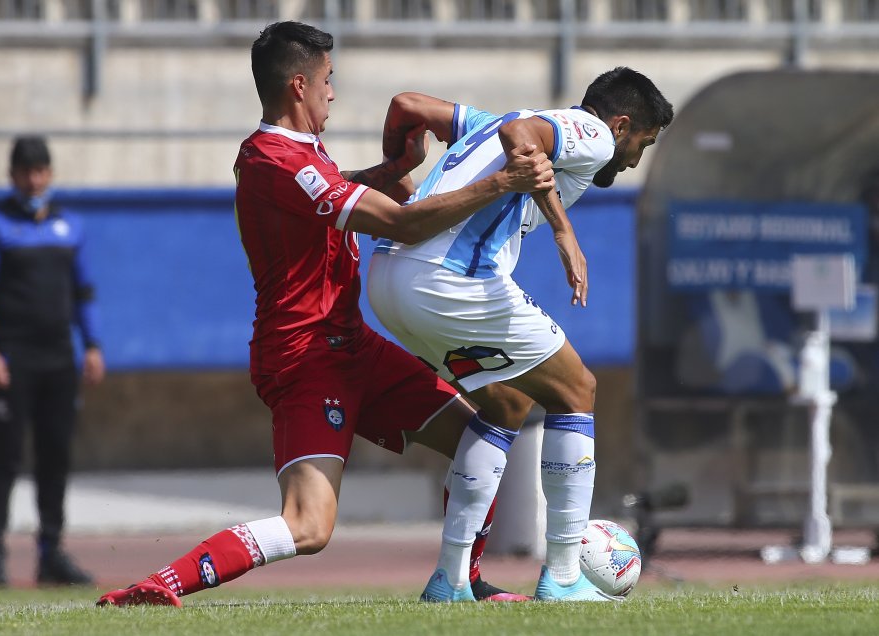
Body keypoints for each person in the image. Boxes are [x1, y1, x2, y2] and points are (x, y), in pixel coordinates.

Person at [96, 21, 555, 607]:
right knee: (309, 527)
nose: (332, 93)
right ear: (298, 85)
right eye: (328, 80)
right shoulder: (274, 160)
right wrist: (503, 182)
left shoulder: (297, 157)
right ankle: (161, 585)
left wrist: (390, 173)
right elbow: (402, 223)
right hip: (304, 356)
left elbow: (333, 194)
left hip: (352, 345)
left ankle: (460, 582)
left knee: (483, 435)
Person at [367, 68, 673, 601]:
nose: (633, 161)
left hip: (390, 280)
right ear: (621, 126)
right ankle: (562, 575)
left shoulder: (486, 122)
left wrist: (400, 166)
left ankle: (452, 580)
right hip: (447, 279)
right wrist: (563, 230)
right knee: (577, 390)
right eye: (641, 145)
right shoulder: (592, 133)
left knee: (505, 405)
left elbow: (406, 103)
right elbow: (522, 137)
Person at [0, 135, 106, 587]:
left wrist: (92, 345)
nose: (34, 180)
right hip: (12, 359)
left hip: (58, 360)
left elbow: (85, 292)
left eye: (40, 171)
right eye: (26, 172)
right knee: (4, 457)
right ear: (12, 176)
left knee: (55, 455)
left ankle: (50, 554)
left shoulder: (68, 226)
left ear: (50, 174)